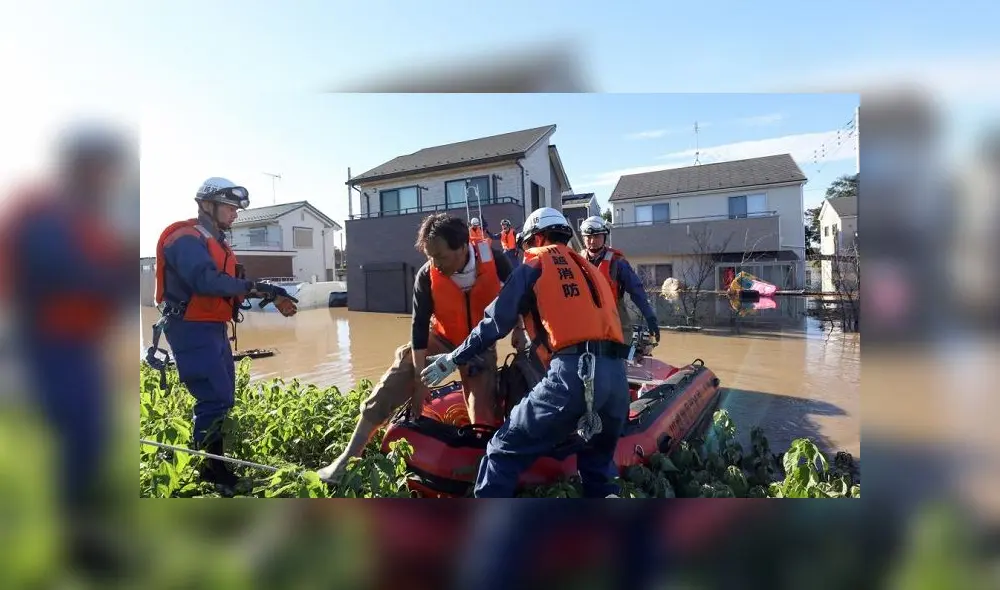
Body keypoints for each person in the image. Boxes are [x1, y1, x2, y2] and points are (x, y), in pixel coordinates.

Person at [420, 207, 631, 498]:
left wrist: (454, 358)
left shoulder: (535, 265)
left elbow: (495, 322)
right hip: (617, 380)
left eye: (527, 245)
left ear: (539, 238)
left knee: (500, 450)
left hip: (573, 376)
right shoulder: (593, 271)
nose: (524, 252)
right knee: (598, 466)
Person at [316, 213, 520, 483]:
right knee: (399, 371)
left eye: (441, 256)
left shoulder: (495, 259)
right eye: (429, 256)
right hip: (442, 338)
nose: (435, 263)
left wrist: (520, 332)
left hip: (478, 345)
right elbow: (419, 327)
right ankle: (347, 457)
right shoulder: (427, 275)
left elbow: (520, 296)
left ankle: (475, 471)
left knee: (482, 412)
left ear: (462, 247)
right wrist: (418, 380)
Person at [0, 124, 134, 516]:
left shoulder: (86, 215)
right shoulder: (47, 213)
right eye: (103, 168)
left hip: (81, 342)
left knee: (93, 436)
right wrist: (114, 275)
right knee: (81, 437)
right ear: (80, 166)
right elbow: (56, 273)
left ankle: (83, 516)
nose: (108, 178)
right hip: (52, 340)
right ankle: (78, 533)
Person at [150, 177, 299, 492]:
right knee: (213, 398)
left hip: (212, 326)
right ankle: (211, 471)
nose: (234, 215)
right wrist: (260, 288)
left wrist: (269, 294)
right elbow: (206, 280)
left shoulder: (216, 240)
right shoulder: (185, 239)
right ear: (207, 205)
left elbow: (228, 284)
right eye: (229, 208)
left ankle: (214, 463)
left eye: (236, 209)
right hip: (190, 327)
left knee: (223, 396)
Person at [579, 215, 661, 344]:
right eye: (588, 237)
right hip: (586, 311)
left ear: (604, 237)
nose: (592, 241)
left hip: (613, 309)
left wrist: (649, 316)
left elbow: (636, 290)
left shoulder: (617, 262)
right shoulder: (577, 261)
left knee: (622, 342)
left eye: (597, 236)